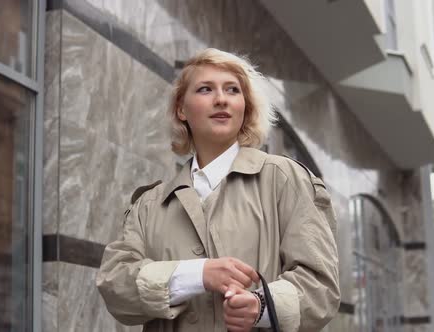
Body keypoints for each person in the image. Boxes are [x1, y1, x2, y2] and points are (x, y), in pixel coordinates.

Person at [97, 48, 340, 332]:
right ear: (181, 109)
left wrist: (262, 307)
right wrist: (197, 275)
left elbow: (321, 287)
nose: (221, 99)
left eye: (232, 90)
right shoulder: (149, 204)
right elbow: (115, 283)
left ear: (245, 107)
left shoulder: (285, 179)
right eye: (205, 89)